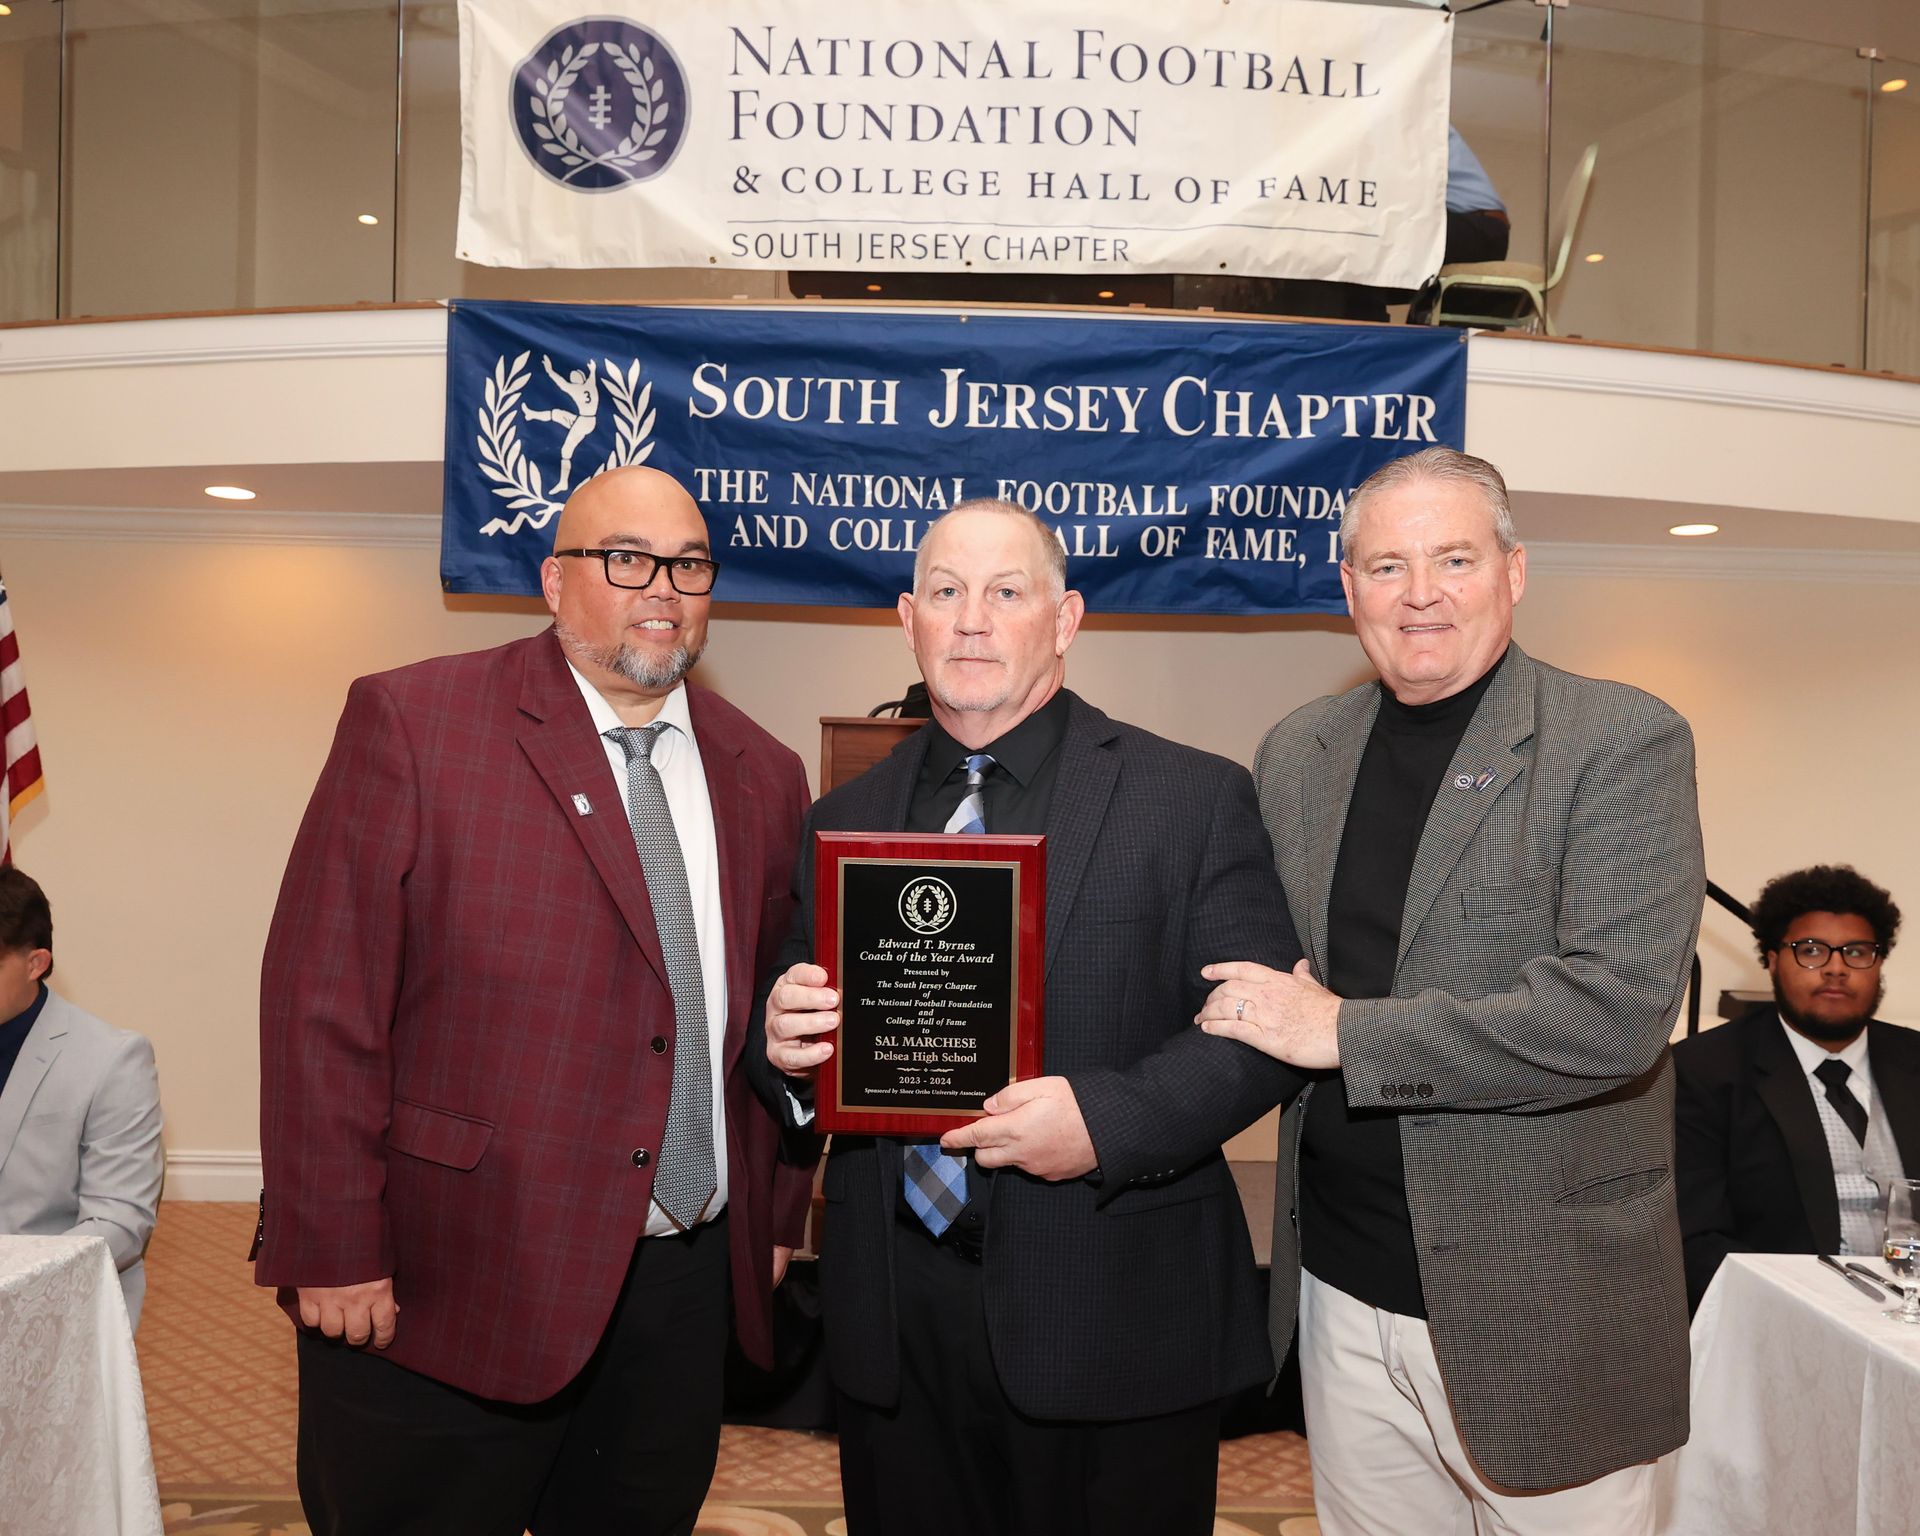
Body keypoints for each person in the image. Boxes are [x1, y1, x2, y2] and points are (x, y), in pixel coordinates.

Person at [255, 466, 813, 1536]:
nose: (663, 587)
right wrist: (330, 1241)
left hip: (679, 1284)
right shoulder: (416, 721)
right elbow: (323, 1002)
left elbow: (780, 1017)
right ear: (555, 581)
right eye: (627, 559)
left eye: (689, 564)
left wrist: (776, 1217)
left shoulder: (764, 770)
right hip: (448, 1276)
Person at [755, 498, 1304, 1536]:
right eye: (948, 595)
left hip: (1114, 1316)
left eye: (1007, 593)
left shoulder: (1190, 798)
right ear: (908, 619)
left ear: (1064, 619)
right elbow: (787, 1023)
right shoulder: (841, 820)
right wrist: (782, 1046)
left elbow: (1258, 1027)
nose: (973, 621)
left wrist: (1108, 1122)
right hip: (896, 1326)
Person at [1197, 446, 1703, 1535]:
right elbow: (1247, 974)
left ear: (1514, 574)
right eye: (1385, 566)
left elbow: (1614, 1011)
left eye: (1453, 559)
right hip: (1339, 1287)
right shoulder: (1298, 752)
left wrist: (1346, 1035)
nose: (1419, 593)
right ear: (1348, 590)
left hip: (1546, 1301)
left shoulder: (1619, 739)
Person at [1673, 865, 1918, 1311]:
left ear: (1879, 963)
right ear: (1771, 958)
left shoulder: (1914, 1060)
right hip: (1781, 1315)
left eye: (1857, 952)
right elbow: (1695, 1238)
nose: (1836, 968)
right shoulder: (1704, 1070)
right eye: (1811, 951)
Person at [0, 866, 163, 1328]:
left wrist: (15, 1278)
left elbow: (119, 1222)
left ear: (37, 963)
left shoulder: (113, 1059)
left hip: (50, 1310)